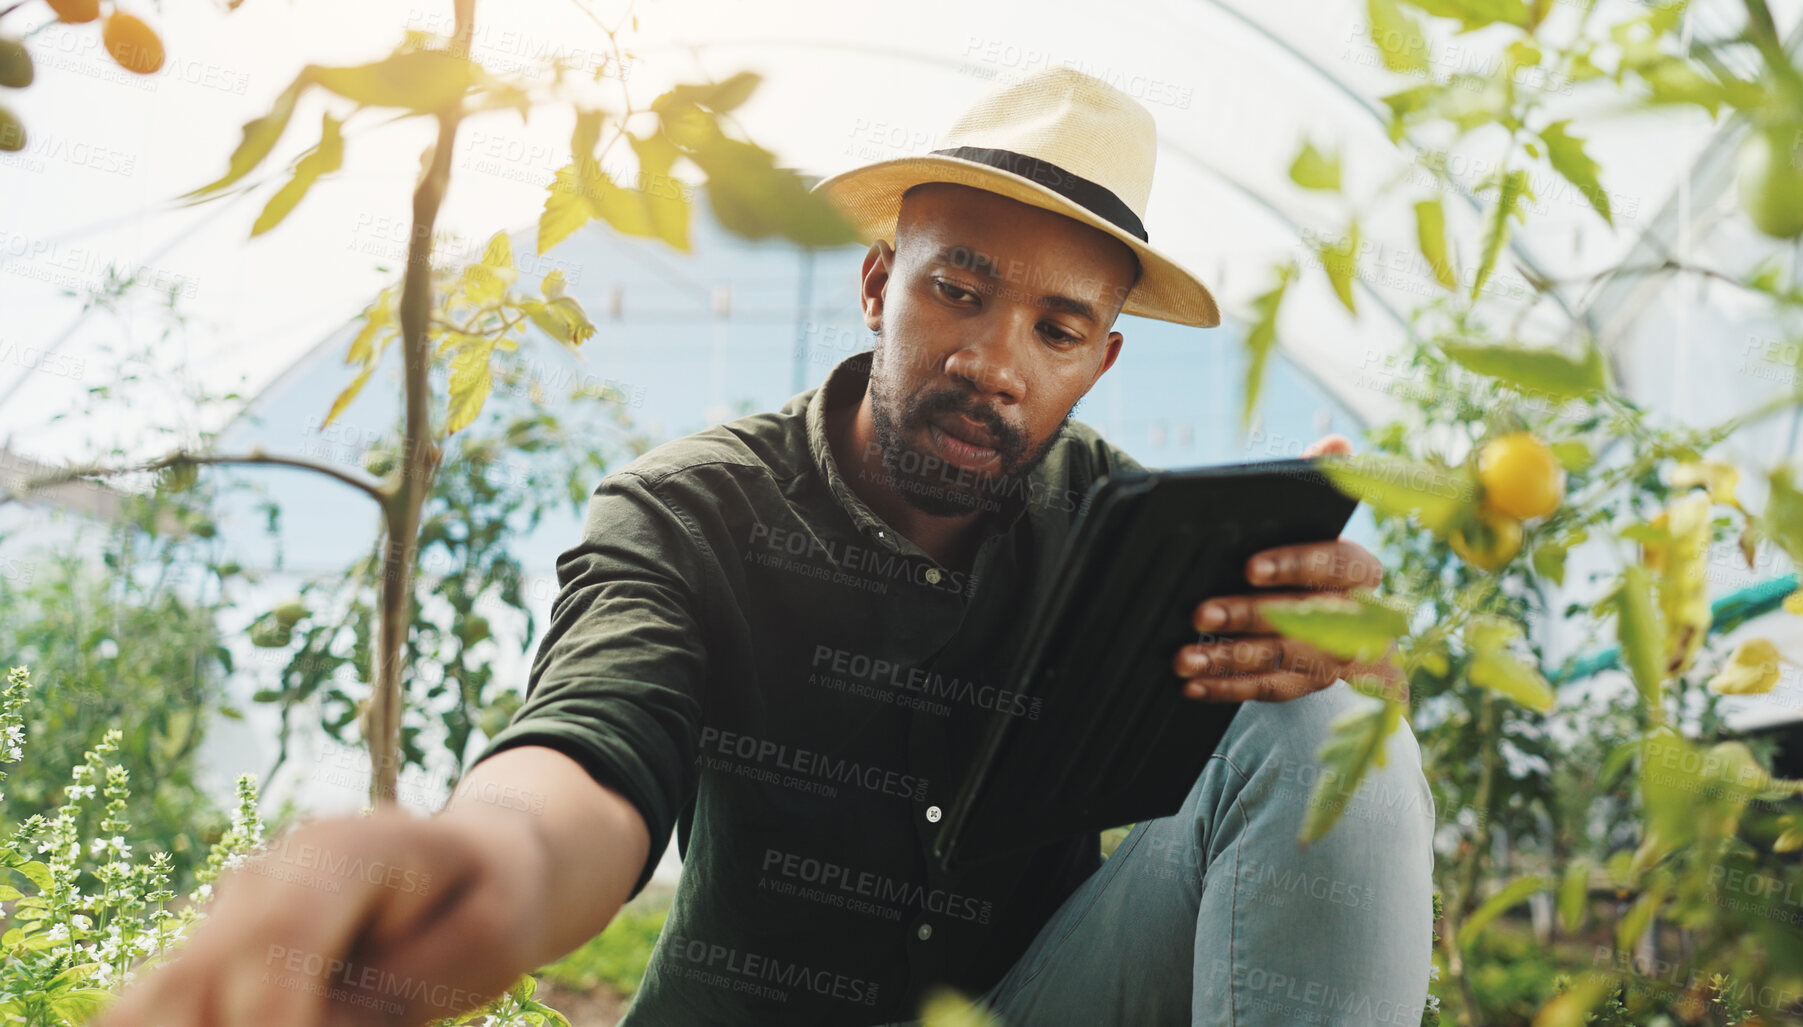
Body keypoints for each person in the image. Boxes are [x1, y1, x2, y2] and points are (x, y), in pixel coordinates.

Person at [97, 65, 1434, 1027]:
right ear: (877, 283)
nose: (991, 362)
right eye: (956, 290)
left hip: (1024, 1006)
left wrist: (1342, 679)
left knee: (1323, 718)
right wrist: (471, 873)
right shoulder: (701, 509)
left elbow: (1282, 812)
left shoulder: (1130, 536)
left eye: (1056, 330)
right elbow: (590, 751)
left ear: (1100, 359)